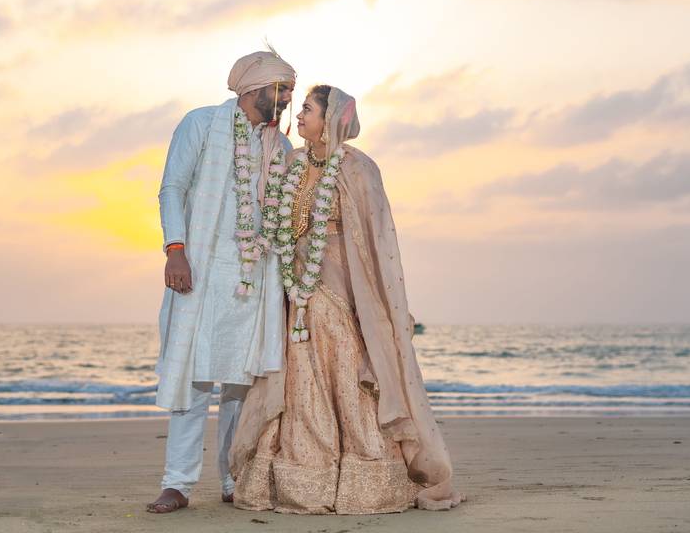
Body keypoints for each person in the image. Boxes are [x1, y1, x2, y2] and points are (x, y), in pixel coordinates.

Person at [229, 85, 463, 514]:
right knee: (298, 381)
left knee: (345, 375)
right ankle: (304, 475)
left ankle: (364, 476)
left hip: (339, 293)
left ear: (331, 120)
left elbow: (374, 243)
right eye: (300, 108)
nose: (299, 116)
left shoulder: (358, 169)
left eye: (308, 109)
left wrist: (377, 304)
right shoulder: (293, 164)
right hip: (292, 293)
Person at [146, 49, 296, 514]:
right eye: (282, 89)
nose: (289, 99)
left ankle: (235, 478)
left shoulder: (281, 148)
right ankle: (178, 484)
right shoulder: (201, 124)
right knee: (193, 380)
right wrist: (176, 249)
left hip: (256, 279)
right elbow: (172, 187)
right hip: (201, 273)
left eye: (291, 90)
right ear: (254, 88)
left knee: (240, 385)